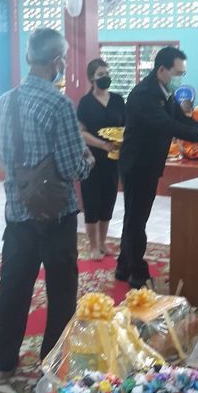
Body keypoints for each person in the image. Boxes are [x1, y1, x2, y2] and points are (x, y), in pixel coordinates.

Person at [0, 28, 94, 379]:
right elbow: (71, 168)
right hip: (55, 214)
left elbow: (5, 157)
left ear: (27, 58)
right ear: (57, 62)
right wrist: (89, 160)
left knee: (13, 286)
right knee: (61, 289)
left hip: (17, 210)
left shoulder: (4, 102)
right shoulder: (59, 104)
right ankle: (52, 364)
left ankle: (4, 361)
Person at [117, 46, 198, 289]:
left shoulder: (163, 90)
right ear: (162, 70)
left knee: (134, 216)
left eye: (183, 73)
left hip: (149, 163)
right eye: (178, 73)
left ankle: (123, 265)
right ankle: (137, 273)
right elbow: (167, 125)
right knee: (137, 218)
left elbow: (182, 120)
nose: (180, 78)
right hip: (138, 164)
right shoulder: (143, 95)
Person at [77, 58, 125, 260]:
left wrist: (120, 142)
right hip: (92, 159)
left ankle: (103, 242)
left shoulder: (118, 100)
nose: (105, 77)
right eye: (100, 75)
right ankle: (93, 246)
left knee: (108, 200)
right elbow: (81, 132)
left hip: (113, 160)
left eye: (107, 74)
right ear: (92, 78)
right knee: (92, 202)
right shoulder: (86, 103)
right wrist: (102, 144)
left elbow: (125, 126)